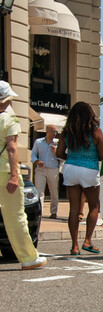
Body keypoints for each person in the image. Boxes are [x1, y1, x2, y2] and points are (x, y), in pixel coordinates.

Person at [0, 81, 46, 270]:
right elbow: (12, 149)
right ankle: (28, 257)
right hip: (5, 171)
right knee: (15, 216)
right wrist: (13, 175)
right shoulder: (10, 120)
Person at [56, 102, 103, 255]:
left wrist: (72, 157)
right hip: (89, 169)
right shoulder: (96, 131)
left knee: (74, 209)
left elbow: (59, 154)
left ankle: (74, 246)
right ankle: (87, 241)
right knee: (93, 206)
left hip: (70, 168)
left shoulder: (67, 131)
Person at [31, 124, 60, 218]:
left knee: (54, 191)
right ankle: (39, 212)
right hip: (41, 169)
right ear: (47, 132)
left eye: (56, 132)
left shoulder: (57, 143)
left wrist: (55, 151)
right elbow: (33, 154)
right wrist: (37, 161)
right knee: (39, 191)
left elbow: (61, 156)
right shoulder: (38, 142)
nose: (55, 133)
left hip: (53, 169)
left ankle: (54, 212)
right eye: (53, 131)